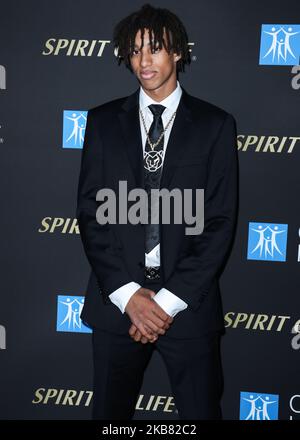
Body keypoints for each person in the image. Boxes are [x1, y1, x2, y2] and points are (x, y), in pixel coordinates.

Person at [76, 3, 239, 420]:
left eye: (154, 49)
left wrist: (166, 302)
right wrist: (130, 297)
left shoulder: (215, 124)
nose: (143, 61)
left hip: (187, 307)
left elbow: (219, 221)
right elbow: (93, 214)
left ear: (178, 52)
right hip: (118, 306)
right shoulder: (101, 122)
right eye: (133, 51)